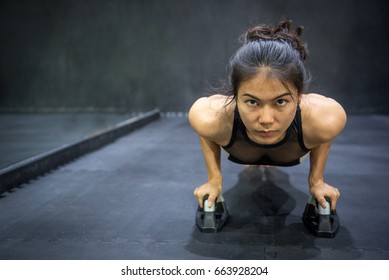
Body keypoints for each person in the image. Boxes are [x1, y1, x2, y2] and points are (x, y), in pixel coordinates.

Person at [189, 19, 347, 213]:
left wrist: (317, 180)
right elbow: (206, 131)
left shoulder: (324, 118)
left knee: (321, 125)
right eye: (252, 102)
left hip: (295, 138)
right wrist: (214, 180)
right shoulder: (210, 116)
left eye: (280, 101)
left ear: (299, 97)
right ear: (234, 96)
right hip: (239, 144)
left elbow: (325, 132)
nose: (266, 120)